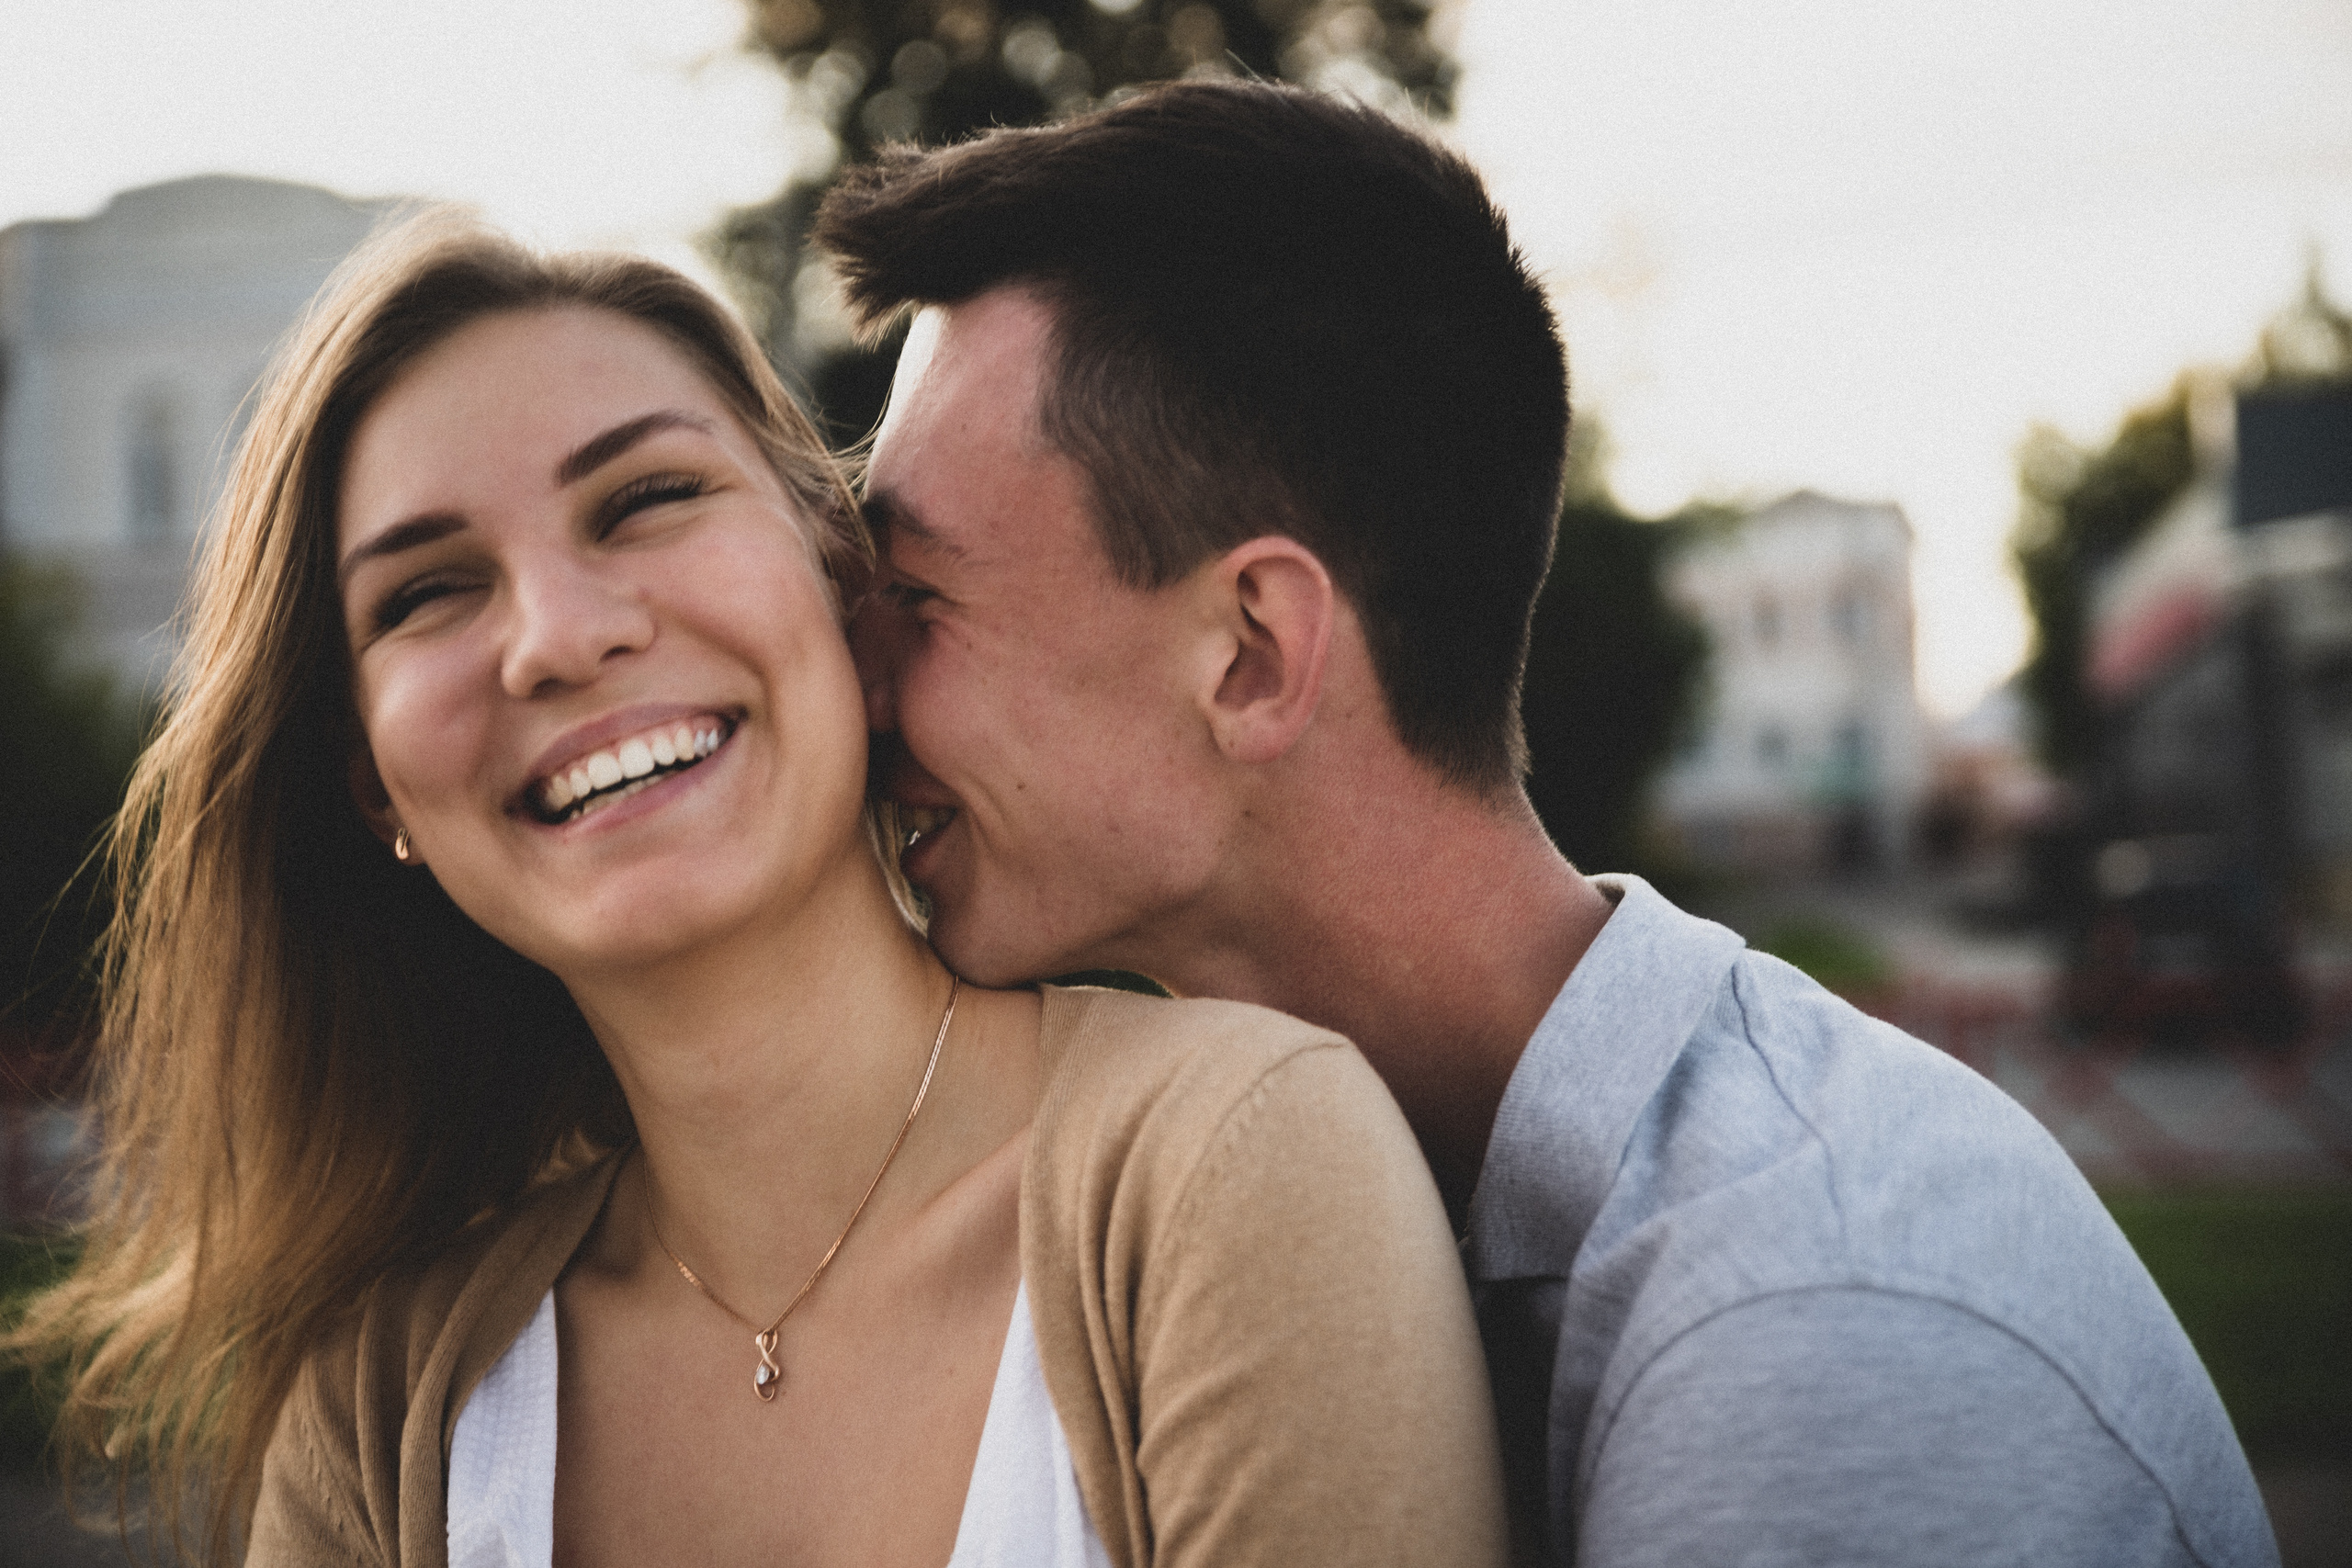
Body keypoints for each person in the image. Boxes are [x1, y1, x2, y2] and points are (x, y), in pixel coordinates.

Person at [824, 81, 2280, 1567]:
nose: (855, 691)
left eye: (921, 599)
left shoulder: (1820, 1337)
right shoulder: (1259, 1243)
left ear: (1251, 652)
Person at [8, 214, 1508, 1568]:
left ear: (848, 597)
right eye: (426, 592)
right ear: (378, 790)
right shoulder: (385, 1412)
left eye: (645, 497)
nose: (556, 636)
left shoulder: (1225, 1169)